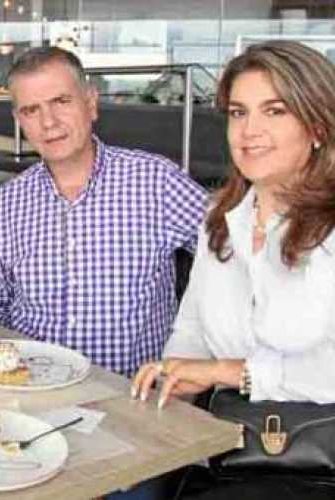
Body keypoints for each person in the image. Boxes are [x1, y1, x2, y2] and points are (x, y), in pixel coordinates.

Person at [131, 40, 335, 500]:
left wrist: (226, 372)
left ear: (318, 125)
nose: (249, 131)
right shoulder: (220, 222)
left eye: (275, 111)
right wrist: (173, 375)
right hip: (221, 455)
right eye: (239, 113)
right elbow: (192, 329)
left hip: (316, 469)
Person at [0, 46, 207, 378]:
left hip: (129, 404)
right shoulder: (9, 200)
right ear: (19, 121)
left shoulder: (156, 181)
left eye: (61, 102)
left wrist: (194, 354)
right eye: (32, 110)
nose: (49, 122)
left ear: (91, 103)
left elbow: (232, 255)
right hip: (32, 393)